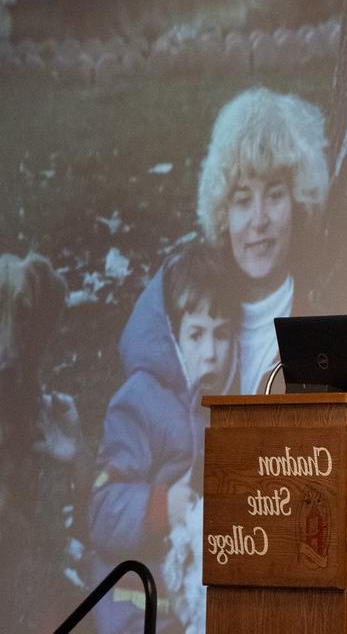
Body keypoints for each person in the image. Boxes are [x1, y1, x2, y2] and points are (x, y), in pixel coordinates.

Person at [89, 243, 238, 634]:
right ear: (171, 337)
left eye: (221, 335)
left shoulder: (226, 402)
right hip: (136, 601)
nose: (210, 353)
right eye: (196, 335)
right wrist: (161, 506)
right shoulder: (140, 400)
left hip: (193, 597)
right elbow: (102, 510)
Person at [197, 86, 330, 394]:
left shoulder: (320, 335)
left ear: (298, 202)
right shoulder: (188, 310)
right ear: (223, 213)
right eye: (243, 200)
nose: (259, 220)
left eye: (274, 196)